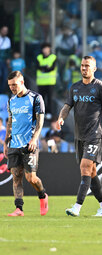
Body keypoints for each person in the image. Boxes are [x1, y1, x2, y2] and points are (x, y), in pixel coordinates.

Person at [56, 56, 102, 217]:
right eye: (83, 66)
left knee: (85, 167)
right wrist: (61, 117)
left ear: (94, 69)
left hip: (95, 135)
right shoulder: (75, 88)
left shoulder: (101, 87)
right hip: (80, 136)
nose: (84, 68)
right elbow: (67, 106)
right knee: (91, 172)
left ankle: (77, 207)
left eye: (88, 66)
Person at [4, 71, 48, 216]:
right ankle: (19, 209)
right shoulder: (11, 101)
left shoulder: (35, 98)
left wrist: (34, 139)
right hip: (14, 144)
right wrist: (6, 142)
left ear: (22, 82)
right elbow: (10, 122)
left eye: (14, 85)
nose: (12, 88)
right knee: (16, 177)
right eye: (10, 85)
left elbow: (40, 122)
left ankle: (42, 195)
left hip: (29, 143)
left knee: (31, 178)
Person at [36, 43, 57, 119]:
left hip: (50, 82)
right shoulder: (39, 57)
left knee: (50, 98)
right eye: (44, 48)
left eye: (47, 48)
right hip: (41, 82)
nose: (45, 50)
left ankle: (49, 113)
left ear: (50, 49)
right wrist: (47, 67)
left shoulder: (53, 57)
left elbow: (52, 68)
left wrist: (43, 68)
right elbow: (38, 67)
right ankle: (42, 113)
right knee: (41, 99)